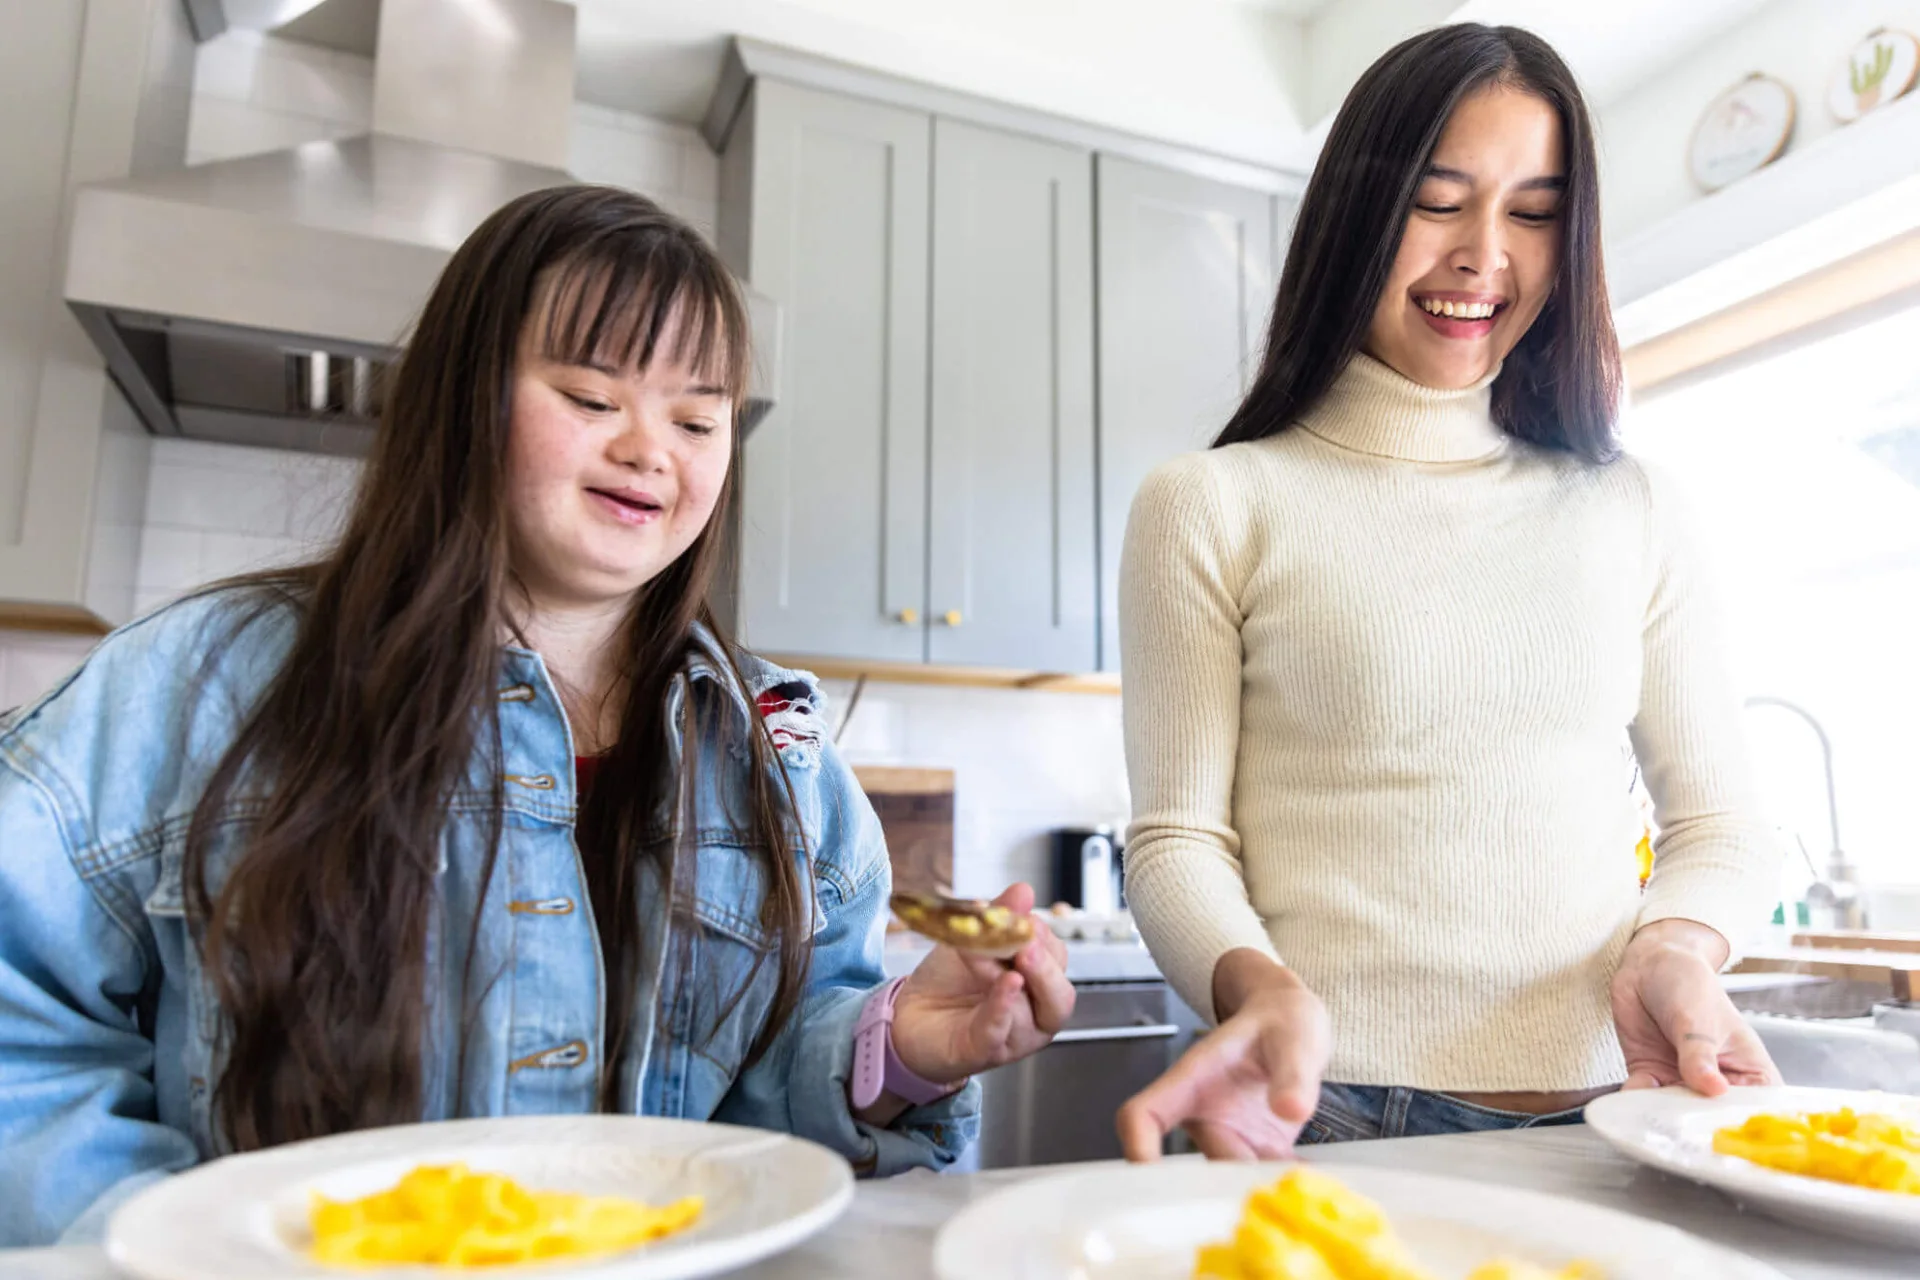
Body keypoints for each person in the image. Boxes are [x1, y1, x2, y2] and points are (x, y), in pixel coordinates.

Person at [0, 186, 1072, 1246]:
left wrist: (903, 1050)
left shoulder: (777, 748)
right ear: (465, 399)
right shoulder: (202, 681)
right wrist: (178, 1243)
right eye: (594, 398)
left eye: (698, 417)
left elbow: (767, 1113)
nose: (652, 448)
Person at [1114, 24, 1780, 1160]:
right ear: (1356, 215)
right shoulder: (1213, 501)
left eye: (1532, 213)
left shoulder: (1635, 507)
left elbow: (1720, 823)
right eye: (1438, 200)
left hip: (1616, 1109)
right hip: (1327, 1107)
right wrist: (1257, 985)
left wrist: (1677, 945)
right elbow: (1178, 837)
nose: (1485, 256)